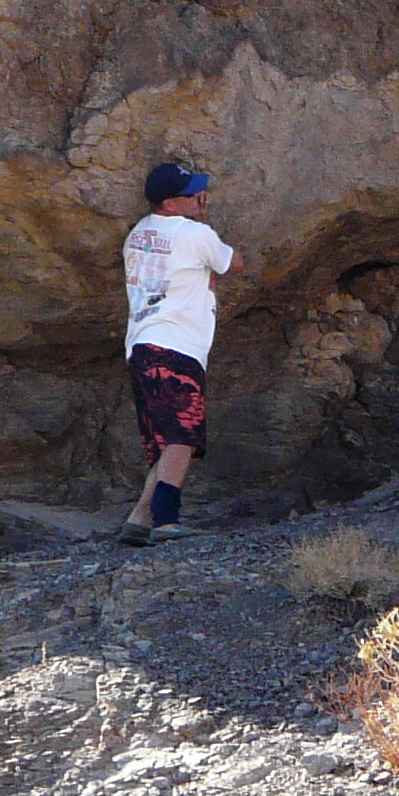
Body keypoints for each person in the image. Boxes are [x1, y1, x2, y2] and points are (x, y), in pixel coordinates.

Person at [119, 160, 235, 545]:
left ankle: (139, 518)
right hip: (176, 347)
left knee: (169, 443)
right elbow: (234, 263)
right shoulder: (193, 233)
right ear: (169, 203)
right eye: (190, 195)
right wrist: (203, 223)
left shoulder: (137, 235)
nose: (198, 198)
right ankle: (166, 522)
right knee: (184, 438)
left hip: (141, 347)